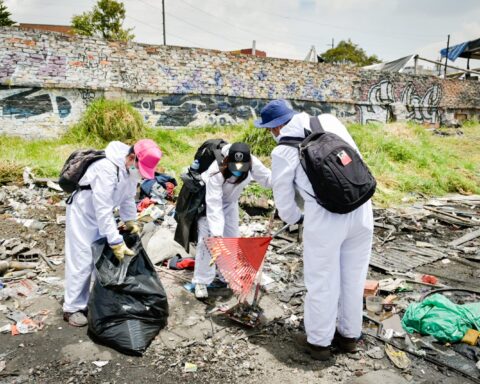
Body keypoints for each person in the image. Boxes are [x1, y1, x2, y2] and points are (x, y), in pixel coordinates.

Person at [255, 100, 373, 361]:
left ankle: (319, 343)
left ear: (274, 128)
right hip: (362, 206)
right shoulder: (329, 121)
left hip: (325, 216)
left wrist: (298, 219)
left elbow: (285, 205)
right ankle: (349, 337)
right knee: (354, 277)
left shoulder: (283, 151)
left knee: (322, 281)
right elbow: (356, 159)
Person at [63, 139, 162, 327]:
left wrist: (131, 220)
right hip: (83, 214)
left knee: (98, 259)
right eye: (139, 169)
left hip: (101, 215)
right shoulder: (106, 168)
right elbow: (103, 209)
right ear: (132, 158)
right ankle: (72, 308)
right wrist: (116, 241)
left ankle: (89, 299)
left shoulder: (130, 169)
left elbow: (127, 198)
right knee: (82, 259)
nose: (139, 174)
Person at [193, 142, 272, 299]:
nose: (237, 173)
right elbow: (214, 205)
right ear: (227, 162)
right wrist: (216, 235)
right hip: (209, 203)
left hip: (230, 203)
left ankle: (226, 274)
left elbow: (268, 179)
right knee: (208, 241)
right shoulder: (215, 170)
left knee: (231, 239)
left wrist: (284, 185)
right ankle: (201, 281)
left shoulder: (253, 162)